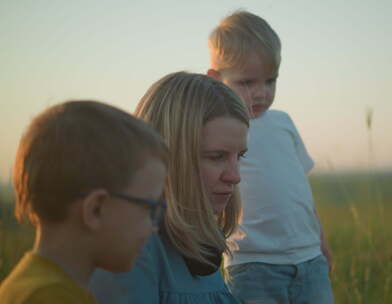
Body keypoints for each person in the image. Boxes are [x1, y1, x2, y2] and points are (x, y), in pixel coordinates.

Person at [207, 10, 334, 303]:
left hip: (309, 260)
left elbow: (301, 190)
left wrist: (321, 240)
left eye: (270, 80)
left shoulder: (283, 123)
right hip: (253, 265)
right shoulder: (221, 131)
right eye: (247, 83)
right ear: (216, 78)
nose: (261, 93)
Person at [90, 72, 249, 304]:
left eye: (240, 157)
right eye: (216, 157)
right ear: (169, 155)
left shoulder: (199, 236)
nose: (235, 177)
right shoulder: (131, 247)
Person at [0, 100, 168, 304]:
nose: (153, 227)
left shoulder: (47, 288)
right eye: (149, 208)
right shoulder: (49, 298)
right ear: (95, 209)